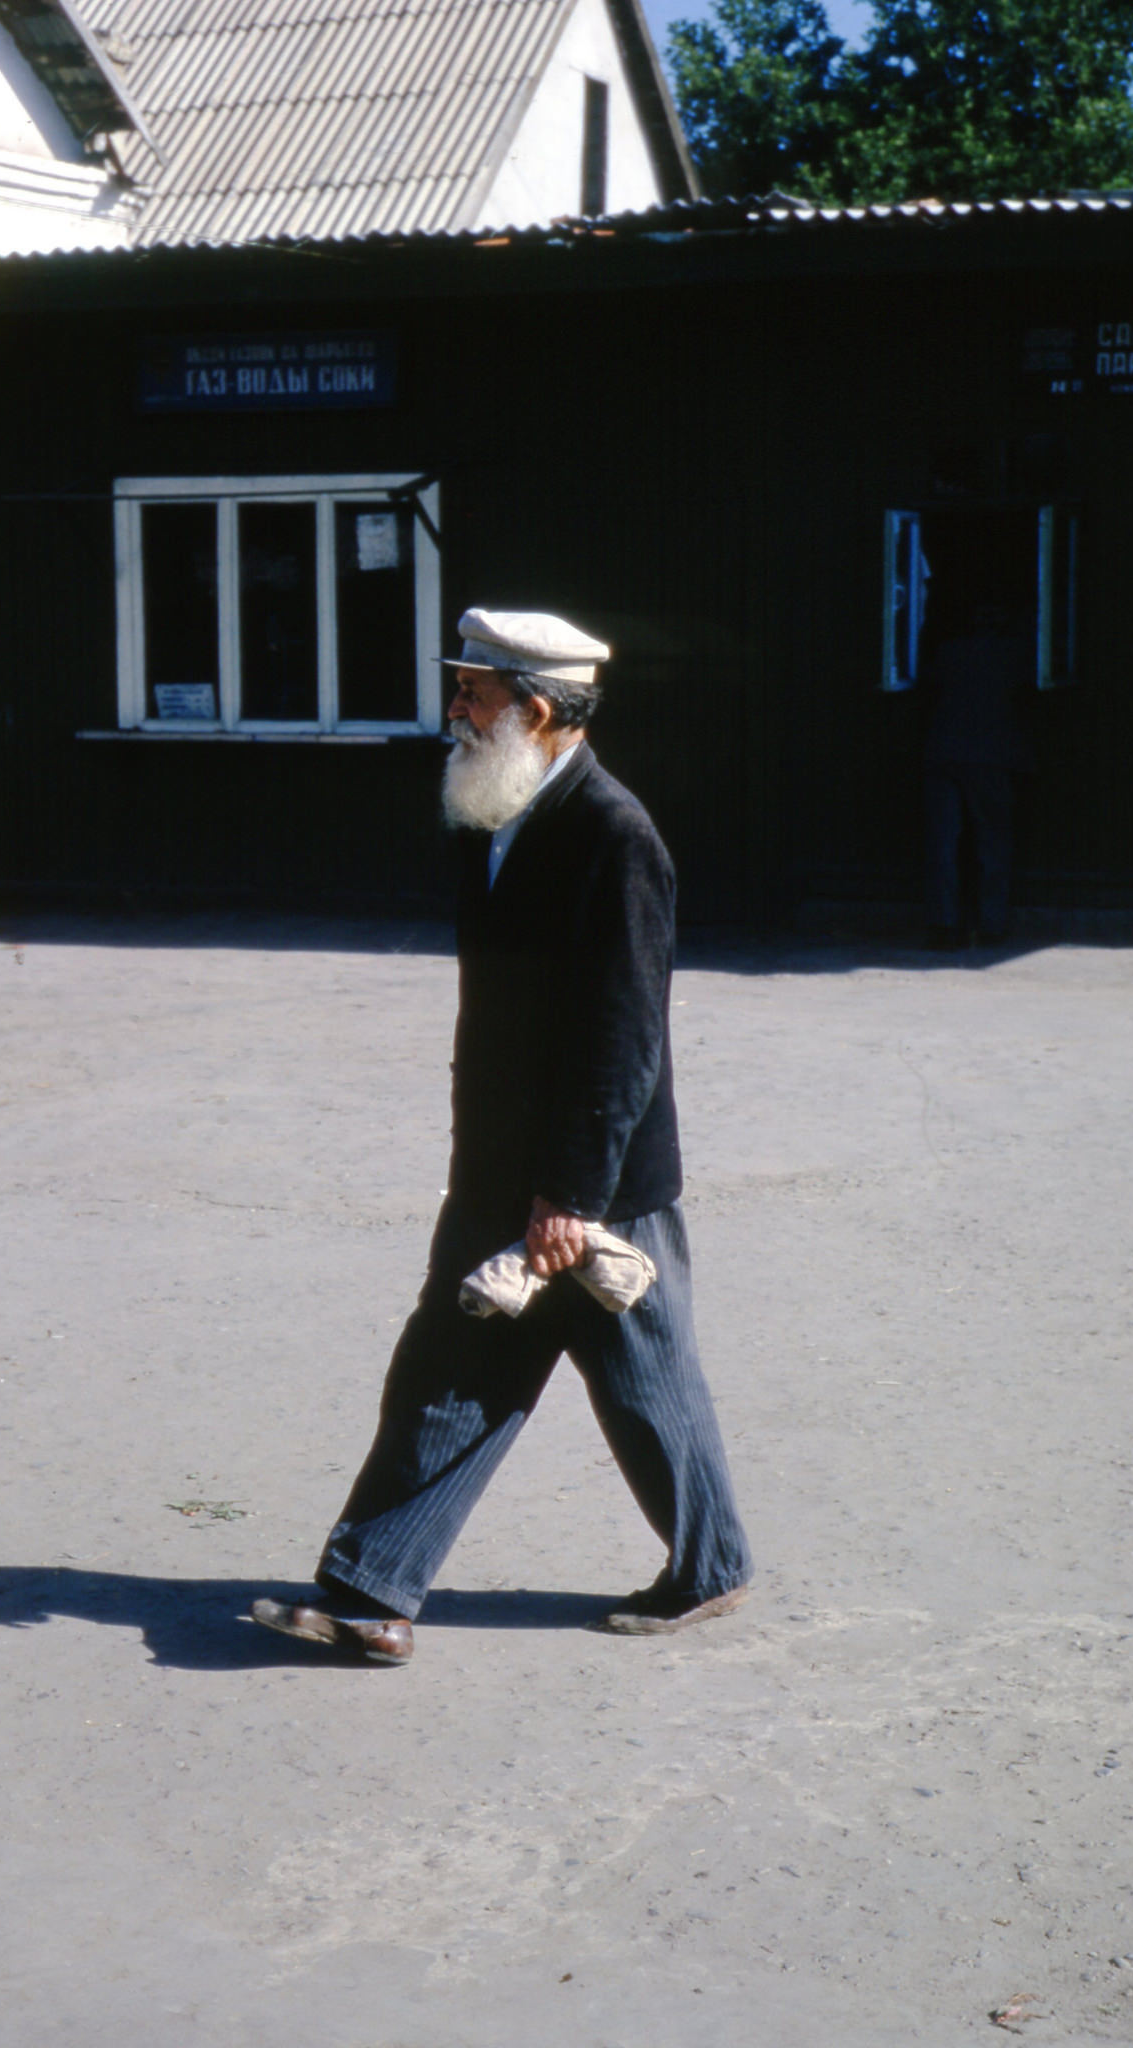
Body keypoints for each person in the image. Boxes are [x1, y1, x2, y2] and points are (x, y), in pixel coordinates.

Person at [252, 609, 753, 1666]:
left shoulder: (614, 836)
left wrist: (571, 1193)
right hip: (502, 1173)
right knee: (447, 1369)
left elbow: (624, 1039)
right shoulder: (503, 811)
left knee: (648, 1388)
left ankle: (707, 1568)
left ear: (535, 708)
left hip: (593, 1185)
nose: (455, 713)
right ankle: (369, 1592)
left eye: (472, 694)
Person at [923, 598, 1035, 949]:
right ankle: (991, 924)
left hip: (944, 752)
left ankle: (944, 924)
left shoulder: (949, 653)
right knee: (993, 842)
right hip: (990, 755)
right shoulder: (1017, 655)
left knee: (943, 843)